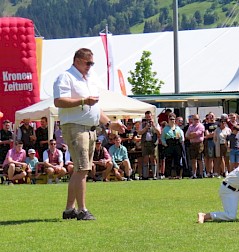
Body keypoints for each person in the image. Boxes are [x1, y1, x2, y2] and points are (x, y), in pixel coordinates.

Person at [54, 47, 125, 220]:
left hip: (91, 129)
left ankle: (70, 209)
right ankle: (82, 210)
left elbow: (95, 108)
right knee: (83, 168)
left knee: (80, 169)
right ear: (78, 60)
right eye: (88, 63)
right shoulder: (66, 77)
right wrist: (83, 101)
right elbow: (59, 101)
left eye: (92, 63)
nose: (91, 66)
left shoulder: (91, 78)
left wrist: (109, 123)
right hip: (75, 127)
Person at [161, 113, 184, 179]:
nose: (172, 121)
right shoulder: (165, 129)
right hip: (169, 145)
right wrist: (165, 144)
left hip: (177, 144)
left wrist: (181, 141)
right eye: (171, 119)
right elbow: (162, 138)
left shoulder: (178, 128)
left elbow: (182, 136)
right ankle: (168, 175)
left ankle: (178, 175)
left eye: (173, 119)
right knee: (169, 160)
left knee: (178, 160)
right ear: (168, 120)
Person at [138, 110, 160, 179]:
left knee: (153, 158)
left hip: (153, 143)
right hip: (145, 143)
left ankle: (154, 175)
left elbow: (159, 132)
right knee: (145, 159)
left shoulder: (155, 123)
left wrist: (153, 126)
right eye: (147, 117)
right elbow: (140, 132)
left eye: (149, 117)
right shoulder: (143, 124)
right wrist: (145, 128)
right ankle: (145, 175)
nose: (148, 119)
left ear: (151, 116)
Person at [185, 113, 205, 179]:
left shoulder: (201, 126)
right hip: (192, 144)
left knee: (200, 159)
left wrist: (192, 135)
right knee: (193, 160)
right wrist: (192, 135)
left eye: (197, 119)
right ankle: (194, 174)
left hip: (199, 144)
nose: (196, 120)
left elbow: (197, 133)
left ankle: (201, 174)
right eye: (195, 119)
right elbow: (187, 135)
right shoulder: (190, 126)